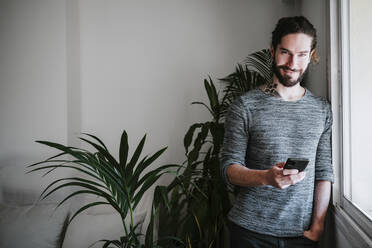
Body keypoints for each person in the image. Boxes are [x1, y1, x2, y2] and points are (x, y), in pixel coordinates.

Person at [220, 16, 333, 248]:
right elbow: (228, 168)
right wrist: (266, 178)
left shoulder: (322, 109)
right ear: (272, 51)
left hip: (302, 235)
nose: (293, 63)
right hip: (250, 232)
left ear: (311, 56)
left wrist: (318, 225)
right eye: (285, 52)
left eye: (302, 54)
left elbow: (324, 171)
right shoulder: (245, 106)